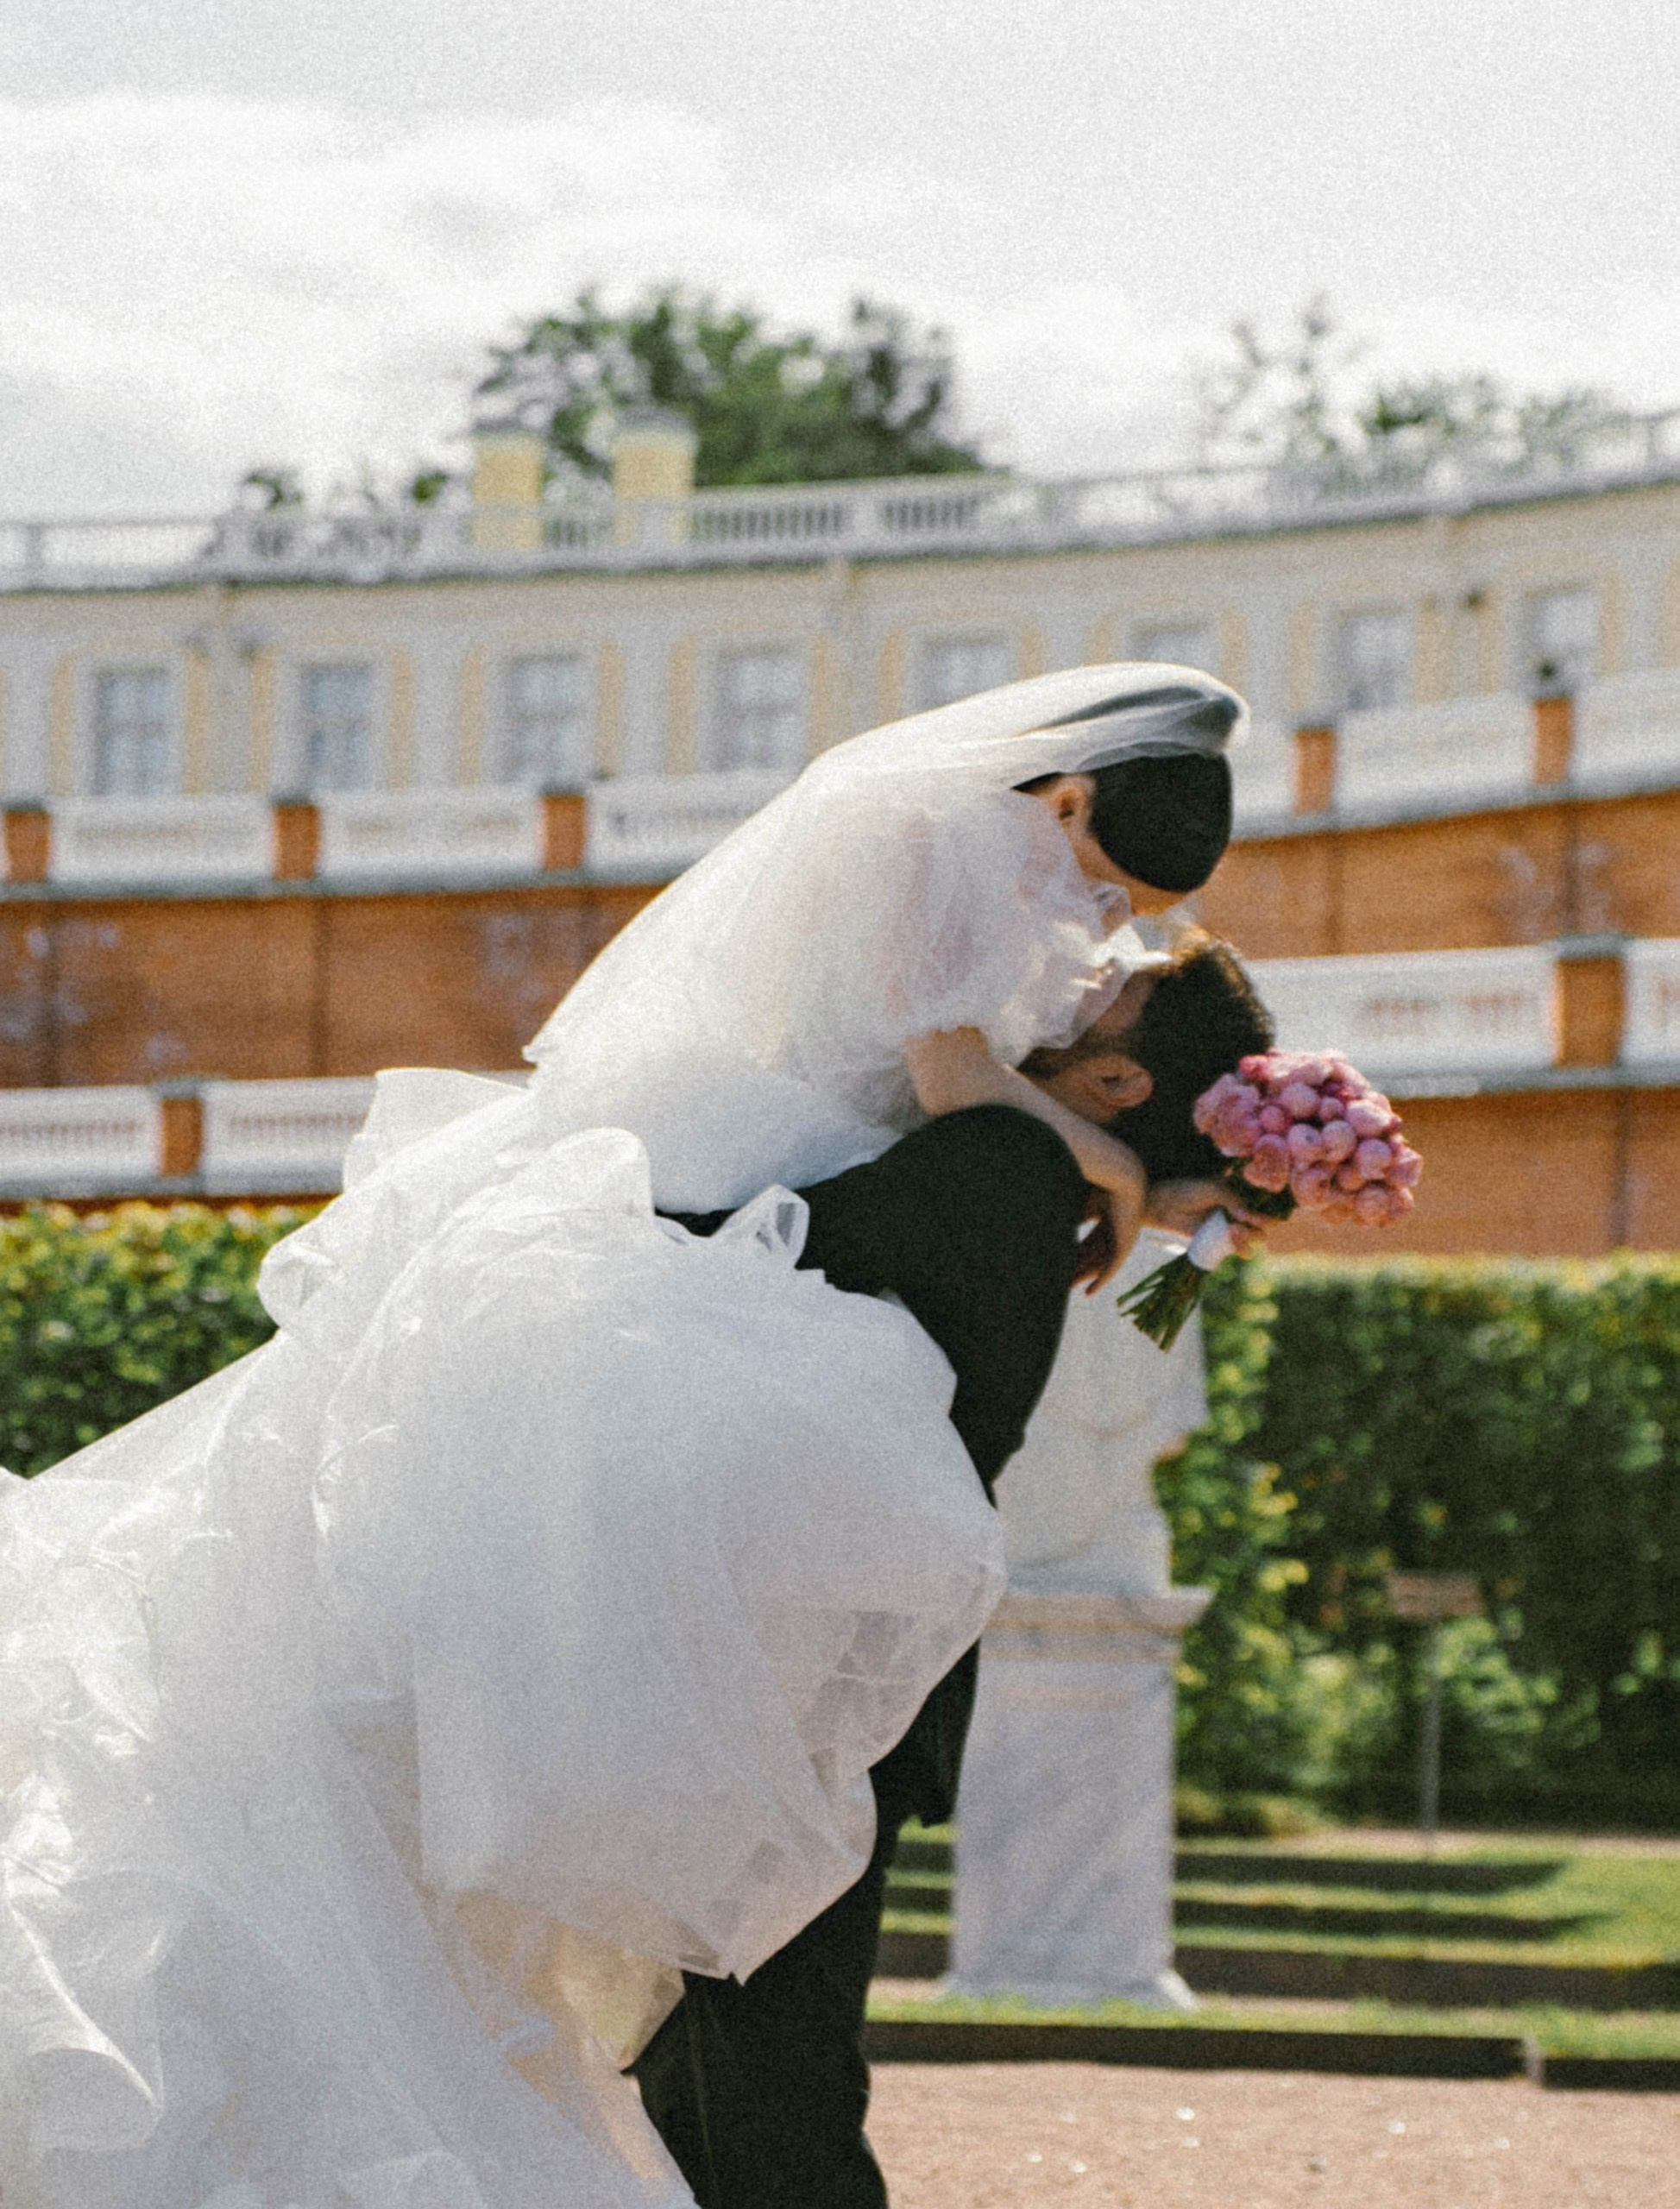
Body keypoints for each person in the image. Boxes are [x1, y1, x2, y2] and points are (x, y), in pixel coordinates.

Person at [0, 666, 1248, 2206]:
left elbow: (1019, 1167)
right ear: (1066, 796)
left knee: (711, 2034)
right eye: (1103, 874)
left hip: (772, 1351)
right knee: (743, 2054)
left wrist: (1182, 1191)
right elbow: (958, 1085)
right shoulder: (945, 871)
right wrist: (1126, 1177)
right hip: (742, 1365)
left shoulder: (997, 1038)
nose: (1096, 922)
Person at [631, 931, 1275, 2209]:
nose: (1067, 979)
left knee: (762, 2094)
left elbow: (744, 1253)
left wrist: (576, 1207)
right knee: (730, 2083)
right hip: (828, 1677)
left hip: (810, 1691)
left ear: (1118, 1086)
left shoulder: (1008, 1167)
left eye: (1108, 992)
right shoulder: (1049, 1174)